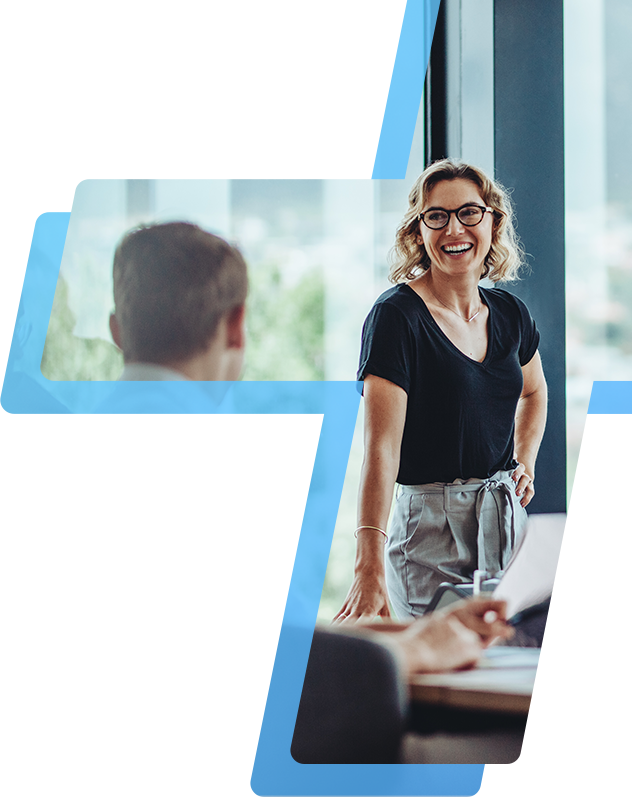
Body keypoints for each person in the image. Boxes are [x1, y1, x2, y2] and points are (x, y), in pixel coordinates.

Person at [25, 221, 511, 774]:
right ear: (236, 327)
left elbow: (240, 629)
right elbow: (285, 665)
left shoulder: (89, 448)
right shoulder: (187, 449)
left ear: (117, 330)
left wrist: (416, 630)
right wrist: (426, 650)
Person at [337, 159, 548, 620]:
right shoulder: (396, 318)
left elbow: (534, 393)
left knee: (508, 668)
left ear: (493, 221)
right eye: (437, 216)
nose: (455, 229)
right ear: (418, 230)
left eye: (469, 212)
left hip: (506, 522)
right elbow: (380, 450)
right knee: (440, 682)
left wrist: (525, 461)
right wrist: (366, 566)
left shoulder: (511, 314)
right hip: (430, 531)